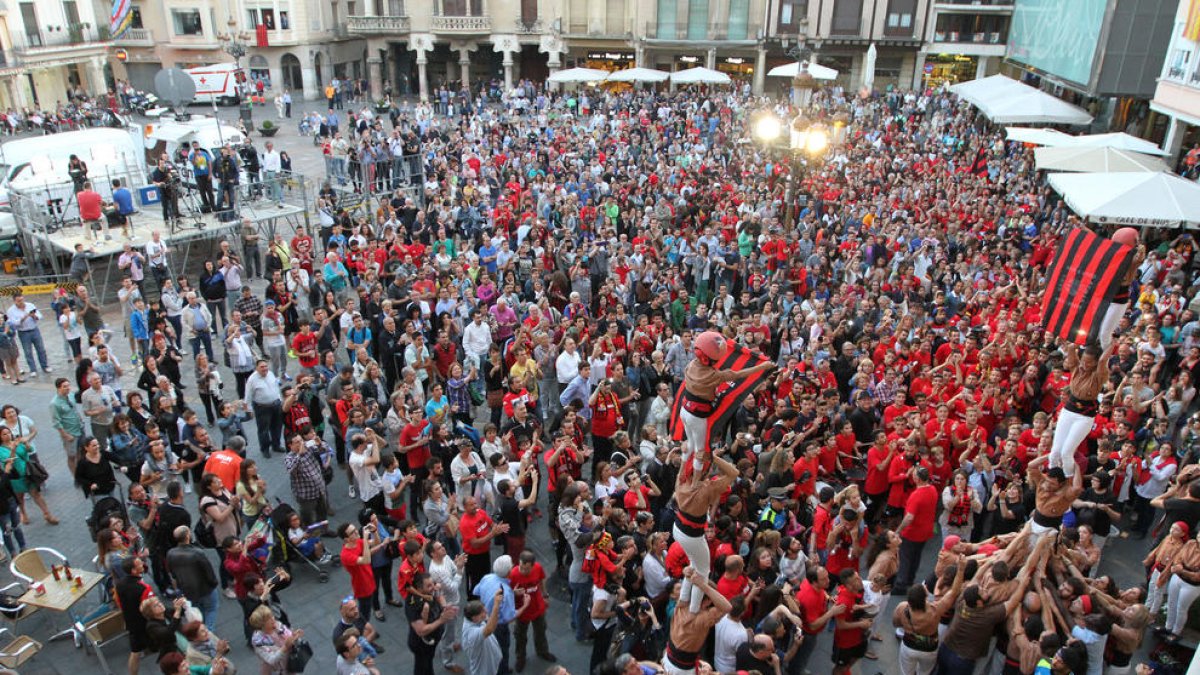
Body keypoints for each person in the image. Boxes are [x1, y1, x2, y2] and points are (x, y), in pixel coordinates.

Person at [674, 447, 737, 613]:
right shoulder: (707, 488)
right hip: (692, 536)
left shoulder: (681, 479)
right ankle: (693, 610)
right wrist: (713, 457)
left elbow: (682, 467)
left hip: (678, 529)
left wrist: (687, 456)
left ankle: (683, 599)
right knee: (703, 572)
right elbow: (733, 473)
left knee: (694, 564)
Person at [1049, 342, 1112, 479]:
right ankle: (1052, 477)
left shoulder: (1099, 375)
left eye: (1089, 362)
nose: (1085, 364)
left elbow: (1102, 361)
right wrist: (1074, 343)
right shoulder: (1076, 368)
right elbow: (1071, 351)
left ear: (1095, 363)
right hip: (1068, 411)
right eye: (1083, 360)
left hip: (1084, 417)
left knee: (1066, 452)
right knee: (1055, 452)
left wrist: (1112, 344)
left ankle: (1068, 479)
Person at [664, 565, 733, 675]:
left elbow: (685, 591)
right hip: (683, 671)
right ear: (708, 601)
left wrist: (687, 574)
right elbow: (728, 607)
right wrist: (703, 586)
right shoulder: (703, 618)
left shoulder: (680, 606)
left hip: (669, 659)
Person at [164, 524, 221, 630]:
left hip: (187, 590)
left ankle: (202, 629)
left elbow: (172, 574)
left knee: (199, 611)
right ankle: (208, 632)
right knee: (211, 610)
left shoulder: (170, 553)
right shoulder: (197, 553)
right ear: (187, 536)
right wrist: (213, 584)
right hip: (205, 589)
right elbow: (209, 572)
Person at [408, 571, 460, 675]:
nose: (434, 587)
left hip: (432, 640)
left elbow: (439, 596)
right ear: (419, 589)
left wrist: (445, 607)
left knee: (428, 663)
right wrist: (441, 620)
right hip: (421, 644)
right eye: (429, 586)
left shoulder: (429, 592)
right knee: (422, 667)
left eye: (433, 583)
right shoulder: (414, 603)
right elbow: (421, 630)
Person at [248, 604, 305, 675]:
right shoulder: (258, 641)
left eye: (271, 615)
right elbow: (271, 659)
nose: (273, 619)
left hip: (289, 663)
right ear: (261, 624)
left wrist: (295, 637)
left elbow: (288, 635)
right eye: (268, 619)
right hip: (275, 669)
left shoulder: (278, 625)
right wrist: (285, 647)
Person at [244, 359, 284, 458]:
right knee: (263, 430)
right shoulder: (252, 380)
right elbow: (248, 395)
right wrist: (249, 410)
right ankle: (265, 448)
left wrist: (279, 399)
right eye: (262, 367)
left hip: (276, 405)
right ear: (256, 368)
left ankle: (276, 445)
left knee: (277, 426)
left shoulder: (270, 374)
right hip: (262, 408)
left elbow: (276, 387)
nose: (265, 368)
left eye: (266, 366)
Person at [5, 294, 50, 376]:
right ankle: (33, 370)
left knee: (41, 349)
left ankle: (45, 366)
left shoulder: (30, 305)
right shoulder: (11, 310)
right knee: (28, 351)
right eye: (19, 301)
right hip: (23, 332)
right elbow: (13, 323)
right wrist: (24, 317)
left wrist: (34, 316)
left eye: (22, 300)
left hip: (34, 330)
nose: (21, 302)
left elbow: (40, 316)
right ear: (15, 301)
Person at [462, 594, 504, 675]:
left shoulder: (473, 619)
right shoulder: (471, 634)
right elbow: (489, 629)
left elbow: (490, 621)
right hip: (485, 670)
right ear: (474, 617)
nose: (486, 613)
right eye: (483, 612)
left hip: (492, 662)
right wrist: (496, 605)